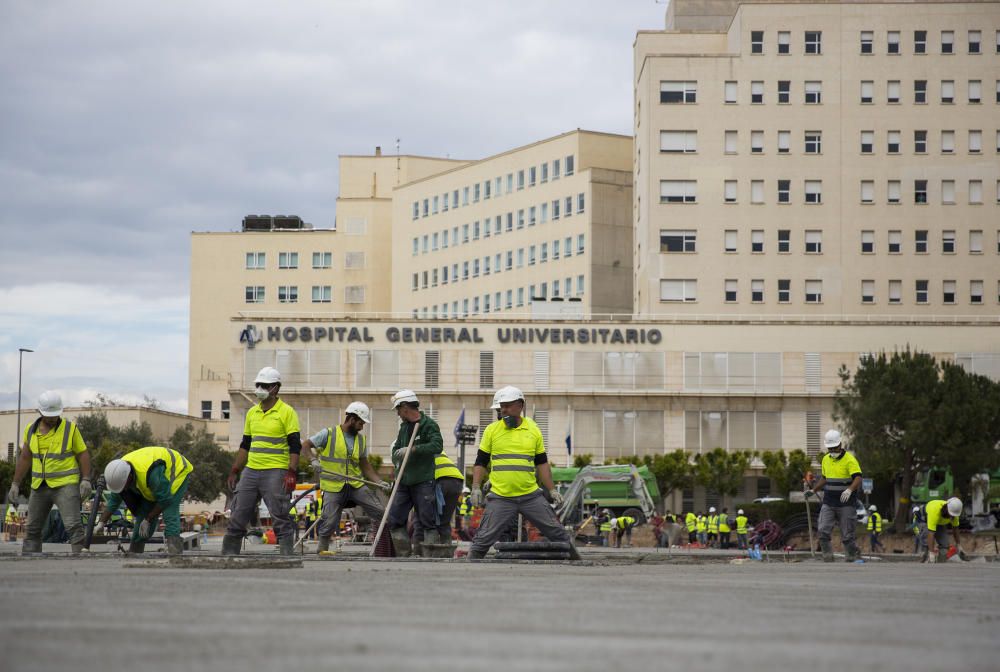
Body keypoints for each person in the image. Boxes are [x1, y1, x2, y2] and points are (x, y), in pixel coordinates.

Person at [468, 386, 580, 560]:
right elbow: (481, 462)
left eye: (506, 406)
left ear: (520, 405)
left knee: (559, 534)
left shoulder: (533, 429)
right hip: (500, 497)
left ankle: (578, 563)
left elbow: (542, 463)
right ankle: (468, 570)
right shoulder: (491, 430)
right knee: (482, 539)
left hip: (531, 496)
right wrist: (475, 487)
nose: (502, 410)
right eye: (500, 408)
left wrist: (551, 490)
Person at [222, 367, 302, 556]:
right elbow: (245, 445)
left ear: (275, 388)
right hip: (251, 470)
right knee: (239, 511)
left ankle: (286, 555)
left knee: (279, 514)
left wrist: (291, 471)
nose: (260, 388)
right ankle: (229, 555)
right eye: (258, 385)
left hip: (276, 470)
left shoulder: (287, 412)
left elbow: (295, 445)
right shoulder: (252, 413)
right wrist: (235, 470)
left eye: (265, 385)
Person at [7, 392, 92, 554]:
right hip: (39, 487)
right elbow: (25, 457)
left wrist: (86, 479)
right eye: (49, 415)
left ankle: (82, 562)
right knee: (32, 528)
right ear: (39, 412)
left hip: (66, 485)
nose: (53, 419)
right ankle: (31, 560)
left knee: (73, 525)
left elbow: (83, 453)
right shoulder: (31, 430)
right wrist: (15, 483)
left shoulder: (70, 429)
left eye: (55, 415)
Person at [302, 402, 390, 554]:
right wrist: (313, 460)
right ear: (351, 419)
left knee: (381, 511)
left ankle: (385, 547)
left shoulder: (361, 440)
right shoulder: (329, 434)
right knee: (330, 521)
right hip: (333, 486)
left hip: (356, 485)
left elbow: (365, 466)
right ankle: (322, 549)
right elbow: (305, 445)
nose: (362, 426)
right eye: (361, 422)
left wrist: (379, 482)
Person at [94, 446, 194, 555]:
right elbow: (114, 501)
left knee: (169, 511)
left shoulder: (150, 475)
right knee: (143, 515)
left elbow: (165, 500)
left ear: (130, 477)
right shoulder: (119, 471)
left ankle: (175, 552)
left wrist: (148, 518)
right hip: (154, 480)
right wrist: (101, 523)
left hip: (177, 471)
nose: (124, 489)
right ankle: (135, 551)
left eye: (124, 486)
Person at [388, 390, 443, 557]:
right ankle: (404, 555)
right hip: (403, 481)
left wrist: (413, 449)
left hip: (423, 481)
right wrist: (397, 454)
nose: (397, 413)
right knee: (395, 519)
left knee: (428, 521)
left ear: (405, 407)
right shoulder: (404, 428)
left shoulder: (428, 425)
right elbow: (396, 449)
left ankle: (430, 555)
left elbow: (437, 446)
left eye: (398, 409)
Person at [806, 429, 863, 562]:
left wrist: (849, 490)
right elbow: (825, 478)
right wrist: (813, 490)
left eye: (834, 448)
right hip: (829, 501)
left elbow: (858, 478)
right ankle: (827, 555)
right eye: (830, 448)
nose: (832, 451)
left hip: (846, 503)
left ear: (840, 445)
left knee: (847, 533)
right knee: (823, 529)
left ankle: (851, 555)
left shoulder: (850, 460)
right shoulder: (826, 459)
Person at [413, 452, 464, 555]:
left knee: (422, 521)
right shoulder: (437, 448)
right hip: (456, 480)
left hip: (439, 480)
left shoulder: (415, 451)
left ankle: (418, 554)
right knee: (444, 523)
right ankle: (446, 555)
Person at [923, 497, 964, 563]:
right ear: (946, 508)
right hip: (923, 518)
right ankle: (924, 564)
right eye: (950, 514)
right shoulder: (935, 511)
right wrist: (931, 552)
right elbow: (931, 533)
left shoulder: (954, 513)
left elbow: (955, 529)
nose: (951, 517)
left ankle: (940, 565)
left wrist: (958, 544)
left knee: (945, 545)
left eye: (953, 515)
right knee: (925, 543)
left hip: (939, 521)